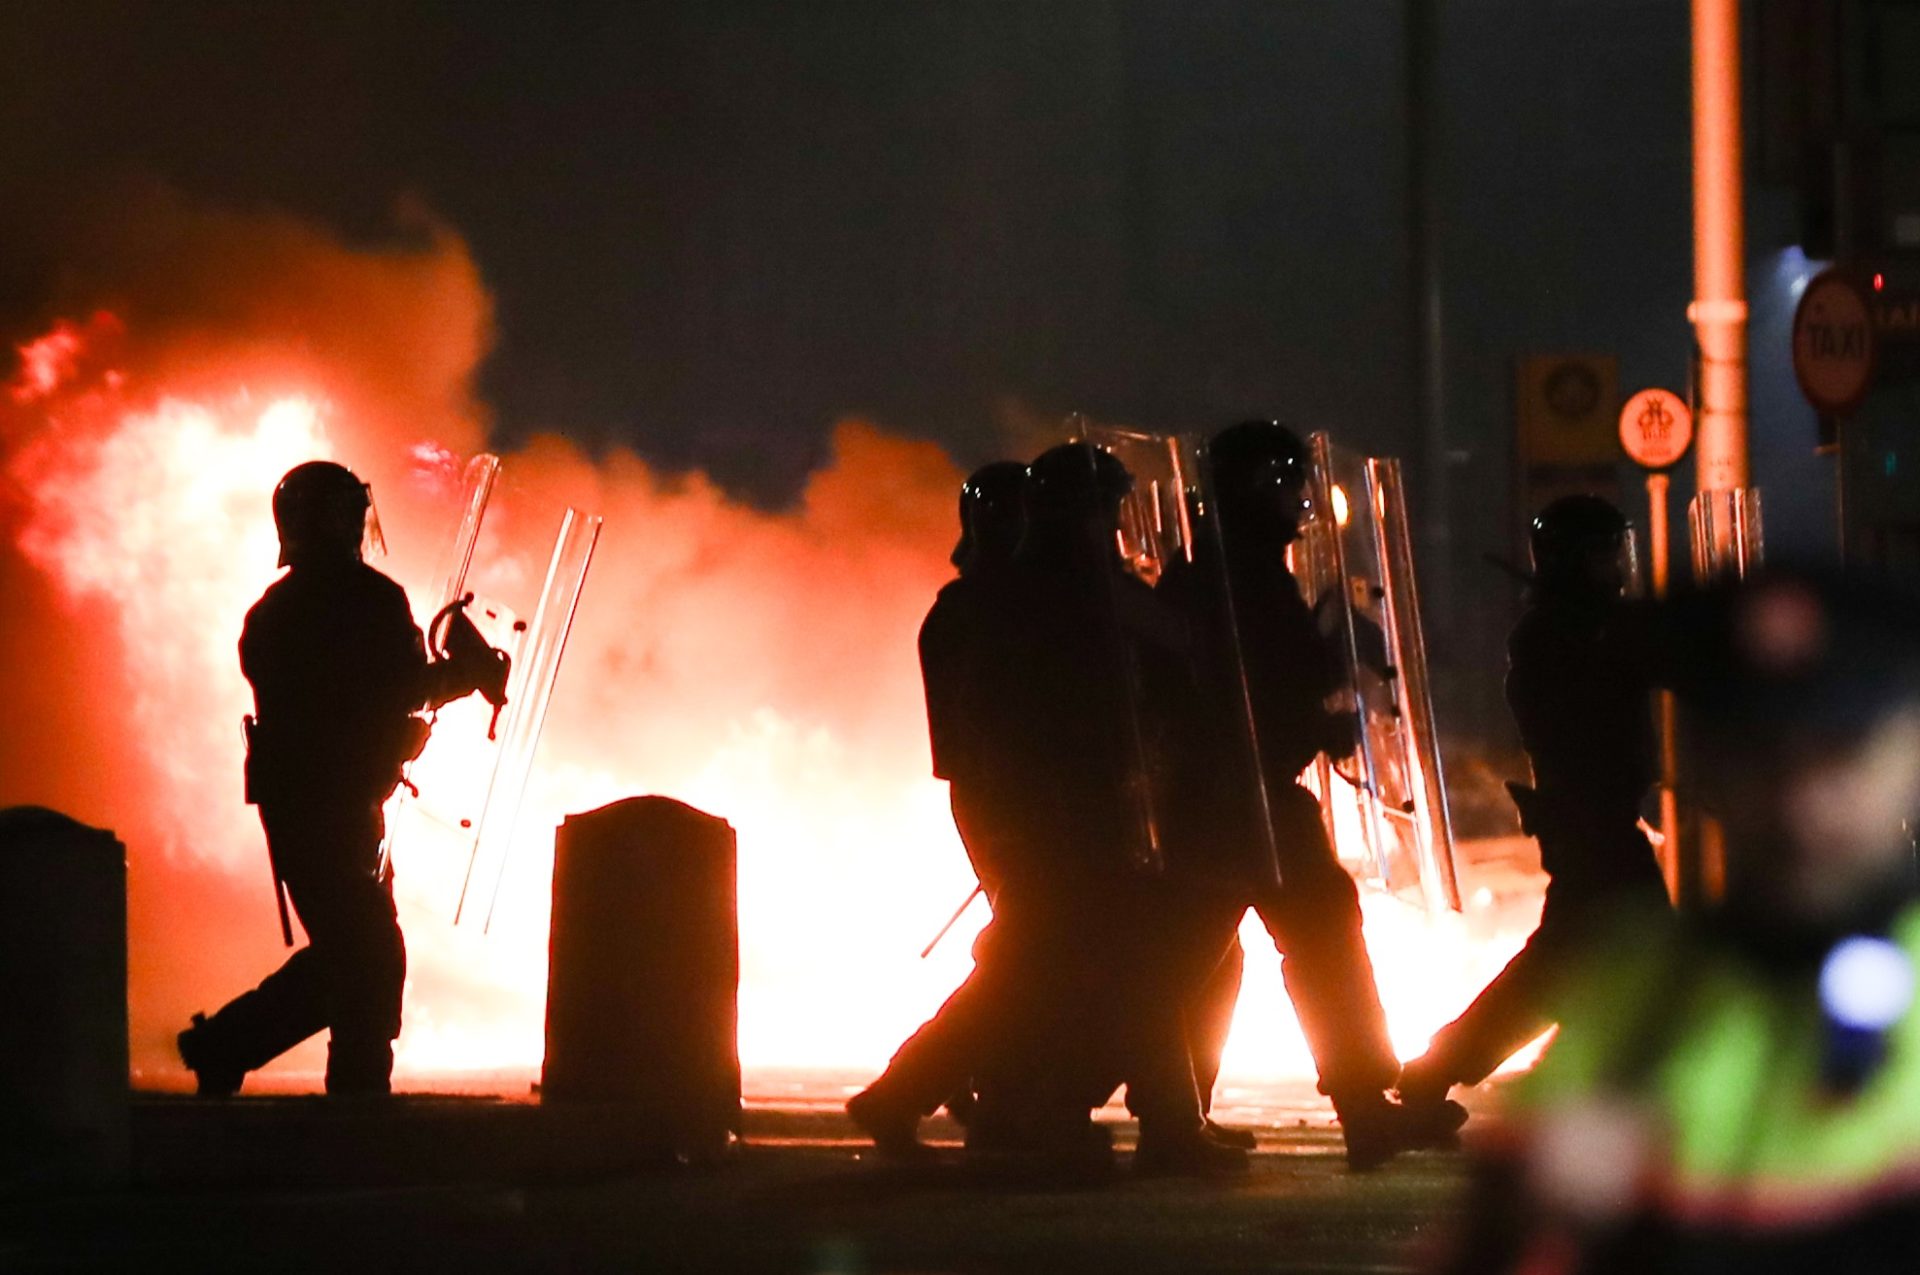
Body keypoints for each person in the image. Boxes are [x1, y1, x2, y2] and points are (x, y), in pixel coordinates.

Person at [1439, 567, 1920, 1273]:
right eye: (1757, 757)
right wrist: (1538, 1219)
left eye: (1840, 754)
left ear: (1907, 755)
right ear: (1703, 769)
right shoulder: (1633, 976)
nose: (1799, 804)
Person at [1165, 419, 1461, 1169]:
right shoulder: (1239, 581)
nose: (1298, 498)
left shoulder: (1227, 571)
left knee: (1203, 955)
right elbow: (1256, 694)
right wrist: (1329, 687)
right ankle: (1098, 1100)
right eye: (1286, 483)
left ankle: (1183, 1115)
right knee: (1211, 954)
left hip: (1237, 795)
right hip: (1237, 798)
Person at [175, 461, 507, 1097]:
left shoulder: (274, 611)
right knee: (367, 955)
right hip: (338, 803)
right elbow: (396, 688)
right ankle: (345, 1094)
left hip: (311, 803)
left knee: (355, 953)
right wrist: (467, 675)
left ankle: (232, 1047)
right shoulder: (367, 600)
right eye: (351, 514)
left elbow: (356, 694)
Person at [1399, 495, 1671, 1118]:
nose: (1619, 566)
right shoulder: (1553, 635)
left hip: (1599, 821)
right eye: (1607, 553)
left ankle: (1441, 1070)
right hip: (1588, 821)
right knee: (1630, 958)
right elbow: (1572, 720)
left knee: (1564, 964)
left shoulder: (1586, 626)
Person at [847, 461, 1030, 1154]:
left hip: (1003, 795)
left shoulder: (975, 608)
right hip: (1009, 798)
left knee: (1027, 948)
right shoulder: (976, 613)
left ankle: (971, 1084)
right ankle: (917, 1088)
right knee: (1027, 951)